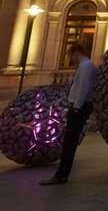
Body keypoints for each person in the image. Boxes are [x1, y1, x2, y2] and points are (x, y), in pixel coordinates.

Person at [40, 44, 97, 185]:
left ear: (76, 53)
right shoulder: (86, 66)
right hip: (80, 106)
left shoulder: (86, 67)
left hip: (80, 107)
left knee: (69, 142)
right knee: (69, 141)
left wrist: (76, 107)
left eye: (71, 55)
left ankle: (61, 175)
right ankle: (61, 174)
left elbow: (83, 88)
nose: (71, 59)